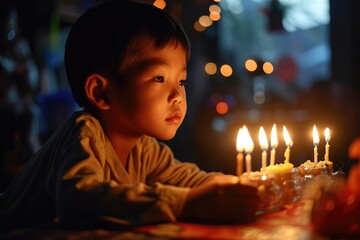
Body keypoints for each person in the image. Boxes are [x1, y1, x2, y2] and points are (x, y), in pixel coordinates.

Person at [0, 0, 259, 232]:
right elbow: (78, 200)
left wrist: (246, 186)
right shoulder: (84, 134)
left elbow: (192, 181)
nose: (178, 96)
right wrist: (185, 203)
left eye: (181, 81)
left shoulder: (145, 149)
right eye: (159, 78)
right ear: (101, 93)